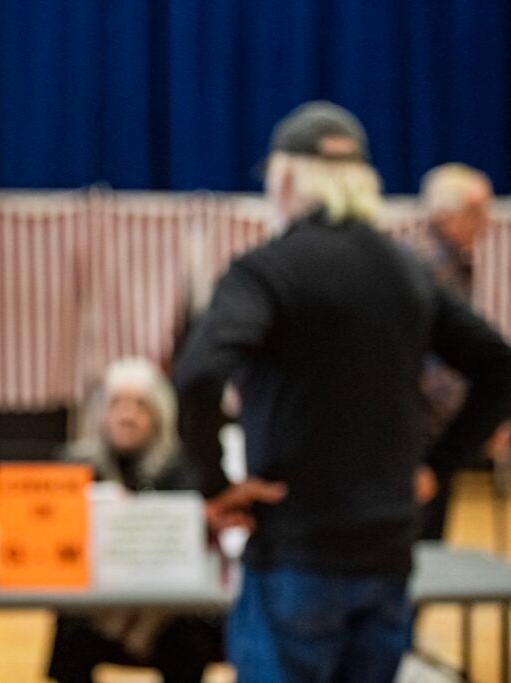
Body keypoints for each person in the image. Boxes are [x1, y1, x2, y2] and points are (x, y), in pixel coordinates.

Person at [172, 101, 511, 682]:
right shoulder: (408, 270)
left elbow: (200, 372)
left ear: (282, 180)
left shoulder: (267, 271)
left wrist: (216, 487)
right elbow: (499, 366)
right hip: (388, 554)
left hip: (295, 551)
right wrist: (440, 464)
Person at [47, 357, 222, 683]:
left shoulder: (180, 469)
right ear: (101, 413)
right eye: (117, 404)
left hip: (162, 610)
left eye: (140, 405)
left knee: (188, 641)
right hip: (94, 604)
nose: (127, 416)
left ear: (158, 415)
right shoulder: (73, 466)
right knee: (70, 637)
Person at [413, 163, 510, 538]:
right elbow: (434, 365)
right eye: (475, 211)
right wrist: (478, 423)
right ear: (445, 214)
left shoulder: (449, 261)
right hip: (423, 434)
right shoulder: (429, 265)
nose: (485, 223)